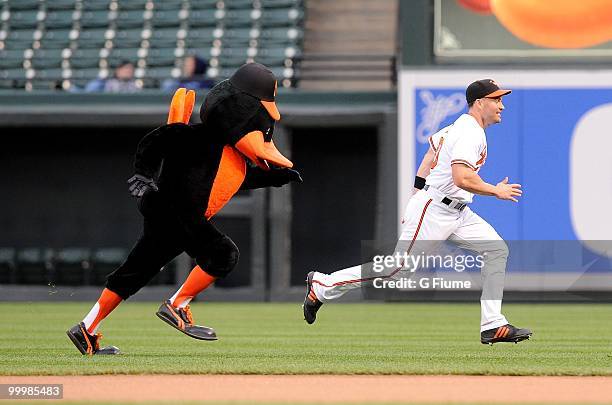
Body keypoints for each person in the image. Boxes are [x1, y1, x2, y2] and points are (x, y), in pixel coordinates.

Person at [66, 63, 302, 355]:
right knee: (223, 254)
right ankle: (177, 305)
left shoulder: (233, 156)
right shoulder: (199, 137)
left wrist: (275, 178)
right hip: (175, 210)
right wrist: (143, 175)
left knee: (135, 272)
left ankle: (86, 329)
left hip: (171, 215)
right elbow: (158, 139)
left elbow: (229, 181)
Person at [303, 79, 533, 345]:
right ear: (480, 103)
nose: (501, 106)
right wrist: (495, 191)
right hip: (436, 209)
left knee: (496, 250)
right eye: (496, 100)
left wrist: (416, 195)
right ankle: (323, 285)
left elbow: (430, 156)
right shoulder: (470, 133)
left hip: (455, 211)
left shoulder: (457, 127)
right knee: (396, 270)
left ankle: (493, 325)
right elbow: (461, 178)